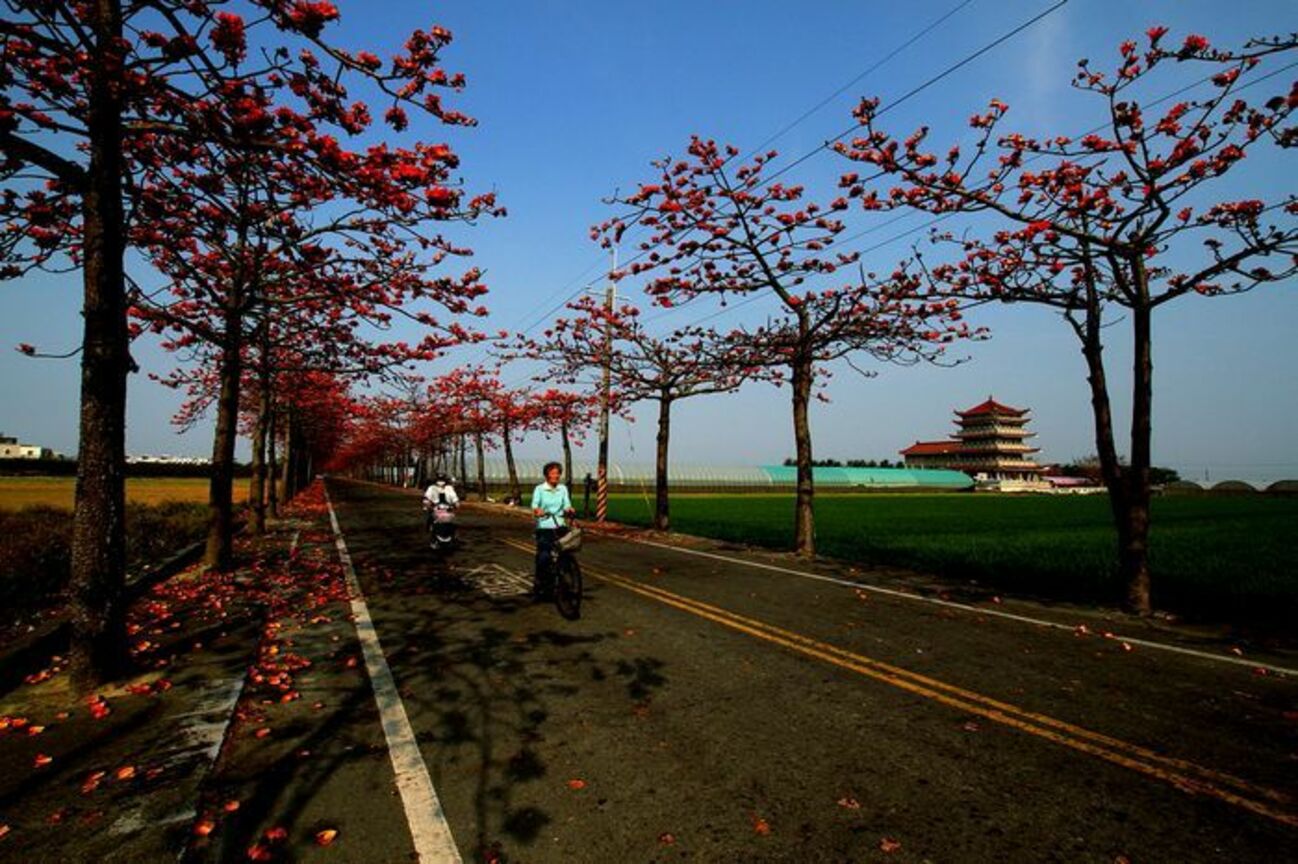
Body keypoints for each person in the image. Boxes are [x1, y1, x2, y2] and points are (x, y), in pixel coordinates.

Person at [532, 461, 575, 600]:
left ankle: (564, 579)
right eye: (553, 473)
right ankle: (540, 584)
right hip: (545, 526)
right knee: (544, 557)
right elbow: (535, 505)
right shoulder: (539, 489)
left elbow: (567, 503)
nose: (556, 476)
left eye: (558, 473)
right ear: (547, 475)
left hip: (560, 525)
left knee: (566, 552)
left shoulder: (563, 489)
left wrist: (569, 509)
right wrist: (538, 511)